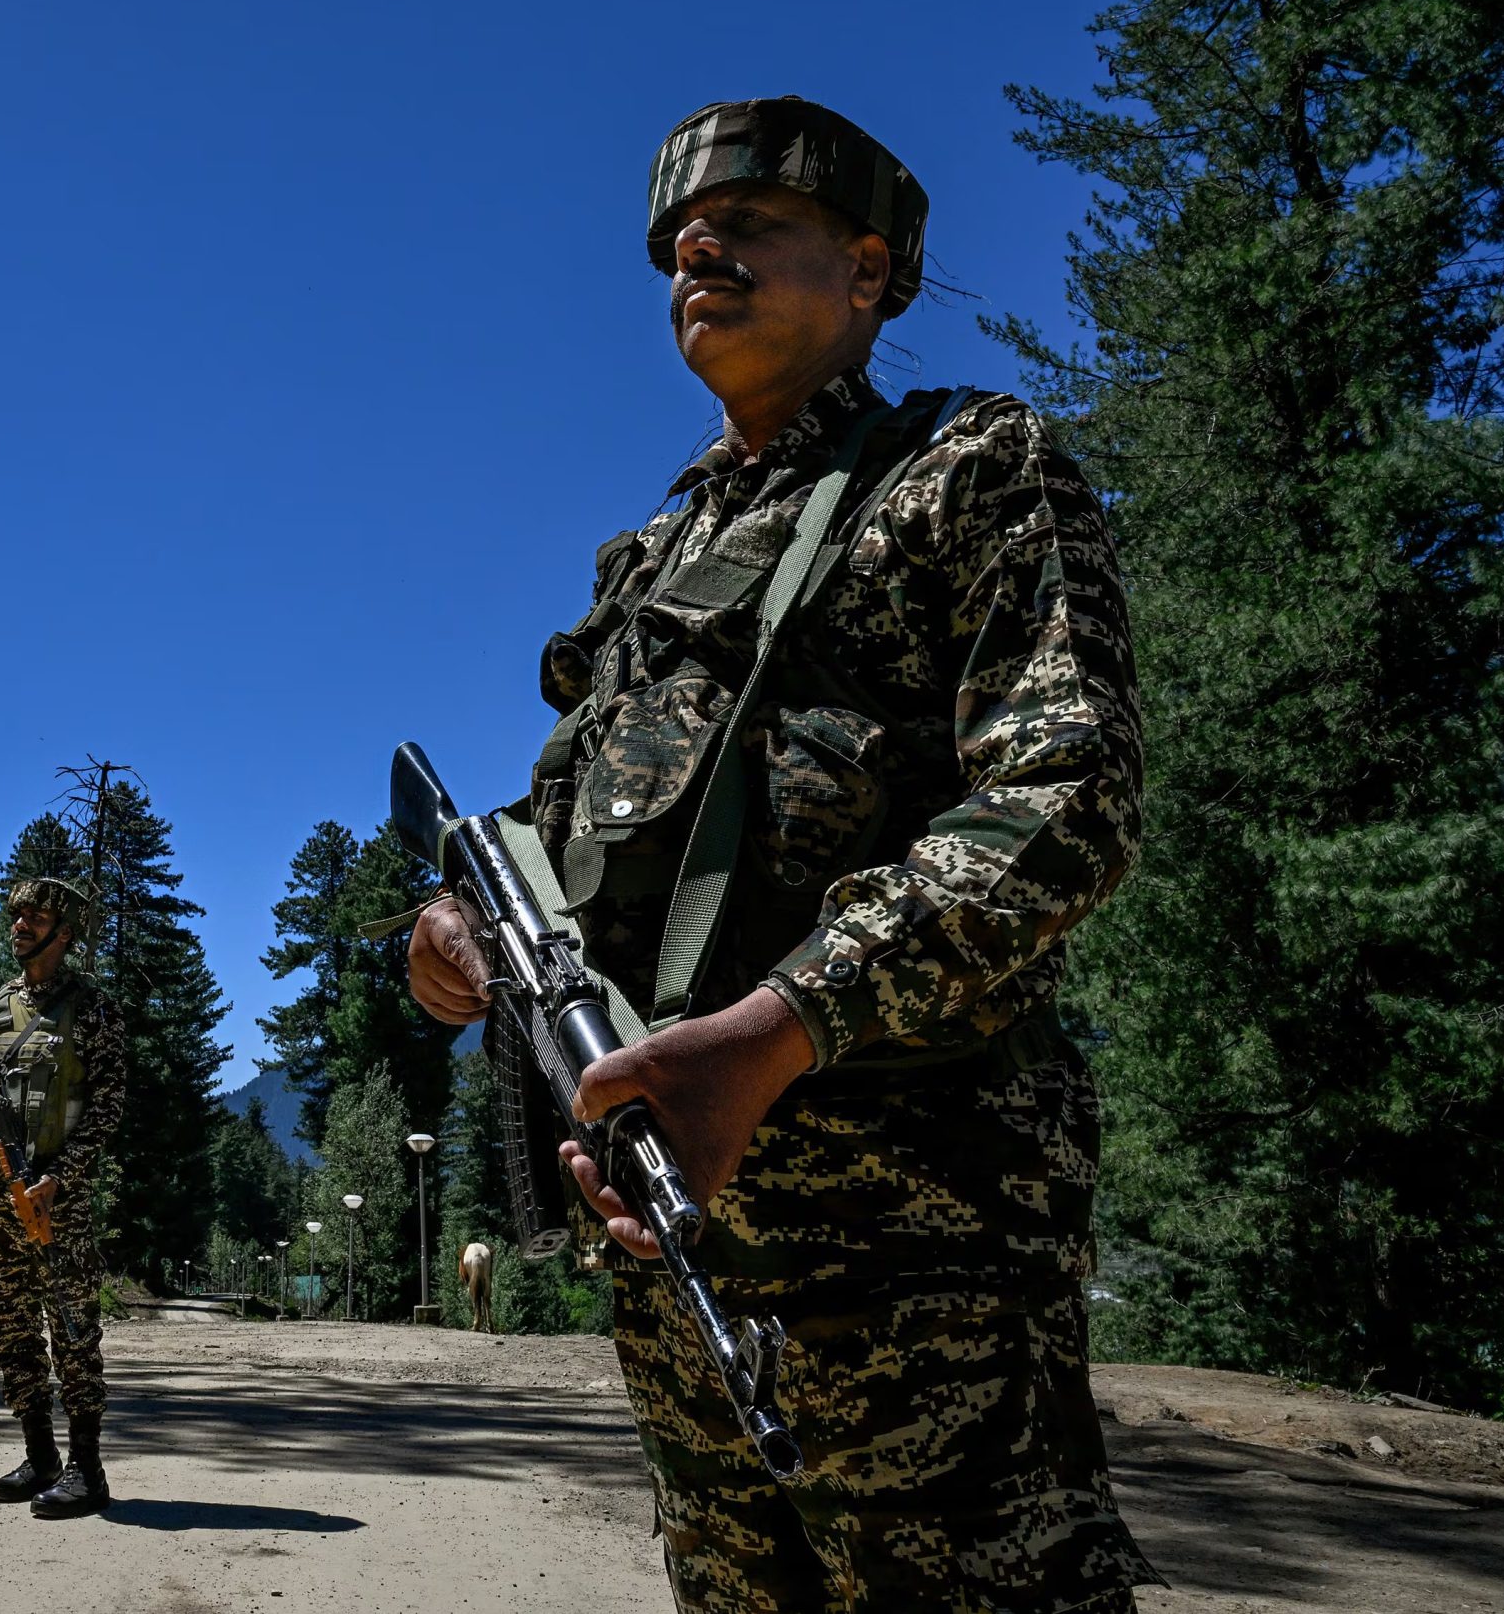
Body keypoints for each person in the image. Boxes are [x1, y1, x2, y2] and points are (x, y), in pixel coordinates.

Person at [406, 96, 1159, 1612]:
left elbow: (1066, 795)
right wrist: (450, 937)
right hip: (669, 1229)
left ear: (868, 272)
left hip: (912, 1235)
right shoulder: (656, 556)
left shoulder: (963, 468)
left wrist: (773, 1031)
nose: (699, 251)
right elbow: (564, 840)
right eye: (681, 240)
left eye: (750, 224)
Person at [0, 875, 124, 1519]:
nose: (19, 926)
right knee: (9, 1330)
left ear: (64, 933)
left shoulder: (93, 1010)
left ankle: (87, 1470)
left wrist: (60, 1177)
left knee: (73, 1332)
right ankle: (40, 1456)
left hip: (56, 1206)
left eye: (35, 918)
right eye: (16, 916)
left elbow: (107, 1108)